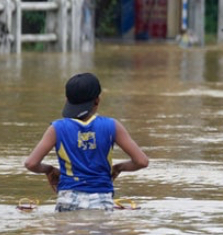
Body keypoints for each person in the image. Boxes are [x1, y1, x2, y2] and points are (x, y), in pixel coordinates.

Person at [23, 73, 149, 212]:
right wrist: (118, 168)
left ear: (67, 100)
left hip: (67, 199)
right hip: (102, 201)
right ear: (97, 101)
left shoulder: (56, 128)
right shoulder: (112, 126)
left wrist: (49, 170)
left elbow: (31, 163)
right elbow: (141, 161)